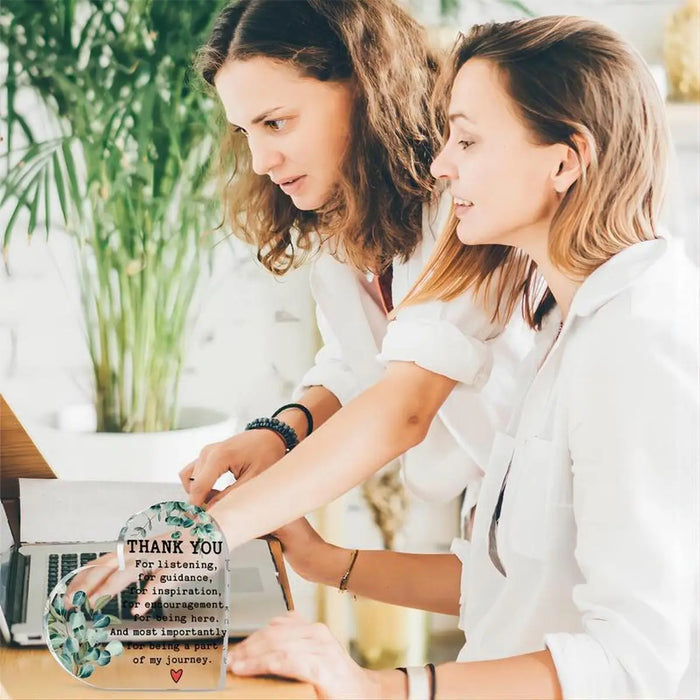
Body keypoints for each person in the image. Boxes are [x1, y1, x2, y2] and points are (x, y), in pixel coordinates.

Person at [219, 16, 698, 699]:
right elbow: (503, 582)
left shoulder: (637, 341)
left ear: (564, 162)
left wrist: (379, 687)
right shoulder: (564, 326)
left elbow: (630, 663)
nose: (444, 165)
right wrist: (326, 559)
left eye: (467, 140)